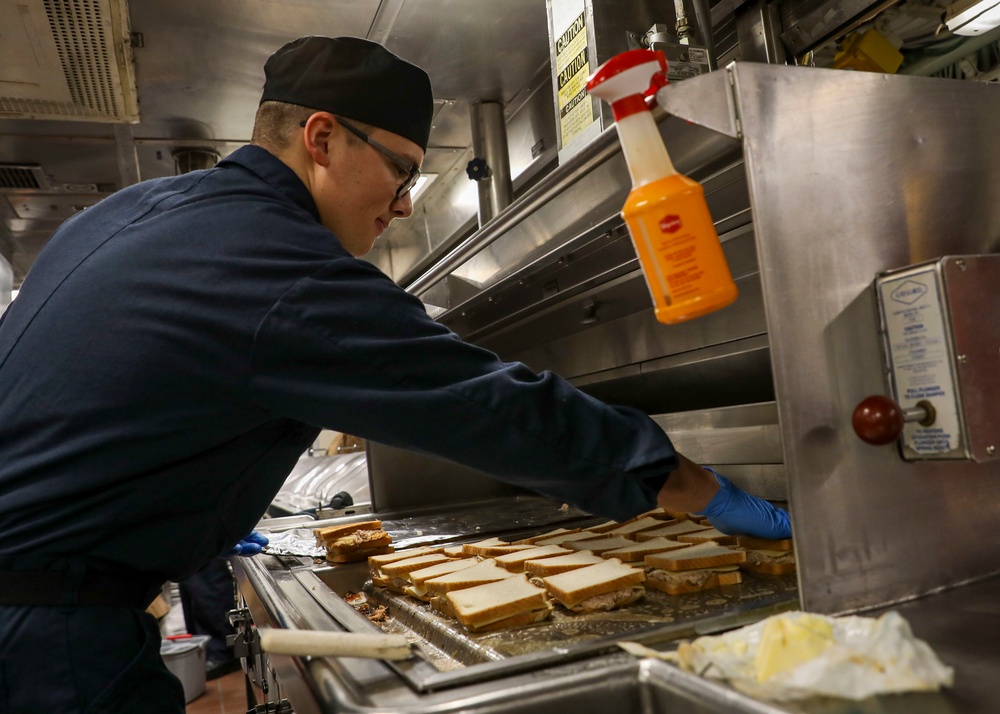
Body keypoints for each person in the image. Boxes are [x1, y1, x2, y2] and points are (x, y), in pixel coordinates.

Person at [0, 36, 789, 713]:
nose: (405, 205)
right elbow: (475, 402)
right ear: (321, 138)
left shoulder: (138, 212)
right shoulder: (274, 263)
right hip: (45, 640)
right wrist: (687, 484)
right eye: (402, 172)